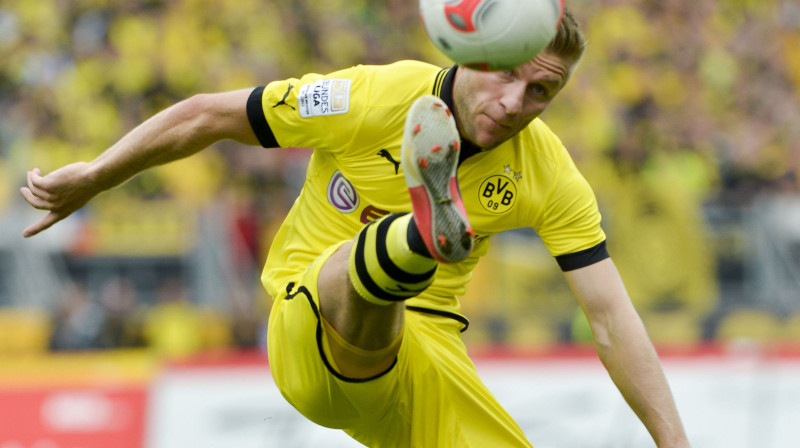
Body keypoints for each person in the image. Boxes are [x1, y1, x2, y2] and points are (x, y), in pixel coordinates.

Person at [20, 8, 690, 448]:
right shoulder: (377, 95)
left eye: (542, 92)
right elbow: (207, 114)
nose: (517, 104)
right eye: (509, 75)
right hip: (308, 324)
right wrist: (97, 176)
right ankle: (419, 235)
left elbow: (611, 320)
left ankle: (421, 233)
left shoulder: (550, 173)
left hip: (424, 365)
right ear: (479, 54)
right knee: (358, 269)